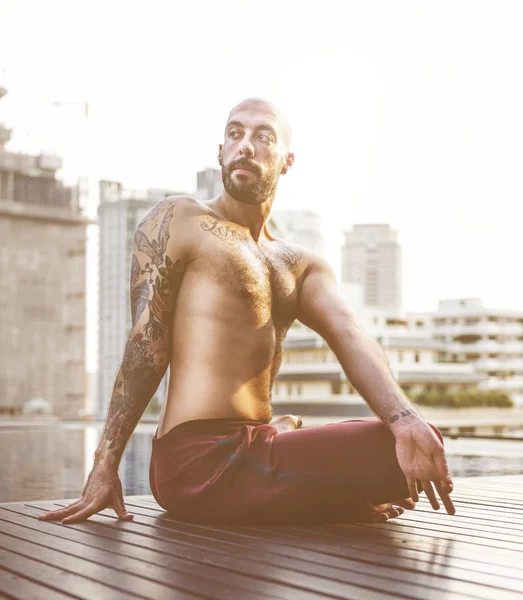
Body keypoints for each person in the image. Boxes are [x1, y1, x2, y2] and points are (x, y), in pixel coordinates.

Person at [39, 98, 454, 526]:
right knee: (385, 456)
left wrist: (405, 420)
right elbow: (146, 345)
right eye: (235, 134)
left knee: (411, 440)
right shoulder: (180, 219)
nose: (246, 146)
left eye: (263, 136)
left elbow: (351, 334)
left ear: (287, 160)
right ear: (220, 151)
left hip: (257, 448)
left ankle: (312, 477)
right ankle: (332, 492)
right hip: (196, 459)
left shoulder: (300, 263)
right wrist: (105, 464)